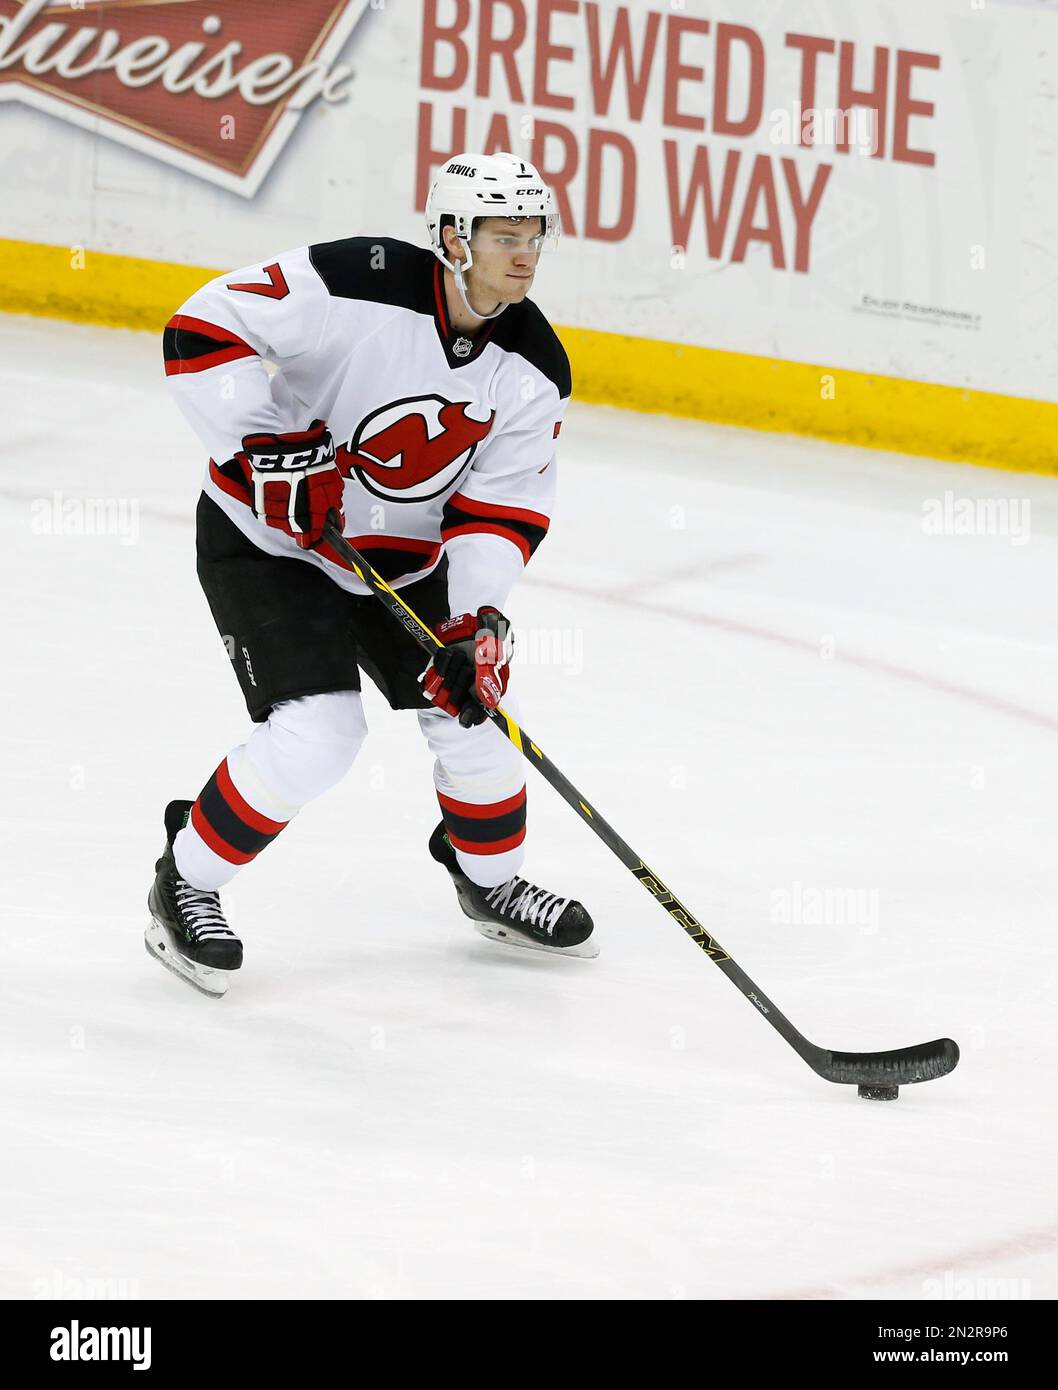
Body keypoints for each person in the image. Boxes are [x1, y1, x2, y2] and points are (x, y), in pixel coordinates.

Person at [147, 152, 596, 997]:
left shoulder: (535, 366)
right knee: (319, 735)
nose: (526, 254)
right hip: (272, 543)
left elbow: (500, 511)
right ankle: (186, 880)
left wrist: (478, 618)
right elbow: (202, 327)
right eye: (505, 236)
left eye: (535, 235)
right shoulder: (355, 279)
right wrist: (263, 450)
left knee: (477, 720)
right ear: (452, 237)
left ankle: (487, 882)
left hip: (404, 558)